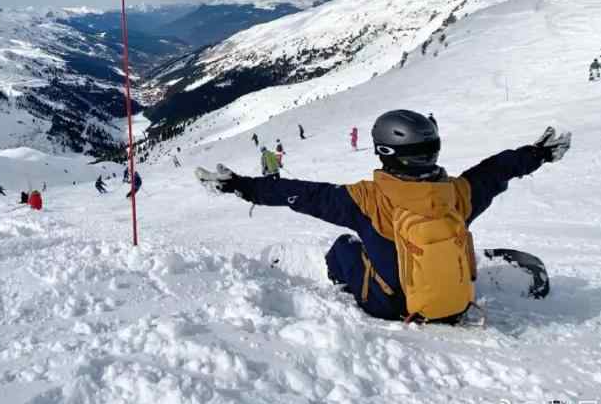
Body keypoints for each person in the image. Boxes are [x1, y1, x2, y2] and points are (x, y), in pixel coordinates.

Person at [197, 110, 570, 323]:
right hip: (454, 302)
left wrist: (240, 186)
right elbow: (495, 171)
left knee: (344, 246)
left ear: (384, 151)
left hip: (390, 307)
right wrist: (538, 154)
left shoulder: (365, 199)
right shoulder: (457, 194)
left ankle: (347, 288)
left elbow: (301, 195)